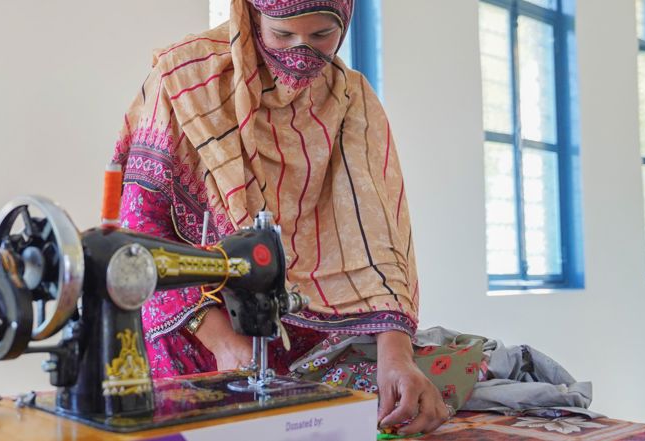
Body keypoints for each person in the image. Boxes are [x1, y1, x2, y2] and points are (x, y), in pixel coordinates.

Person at [112, 0, 452, 435]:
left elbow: (377, 243)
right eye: (284, 35)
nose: (301, 53)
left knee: (420, 392)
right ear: (253, 19)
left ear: (345, 24)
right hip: (192, 327)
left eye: (320, 36)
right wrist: (222, 343)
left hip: (302, 333)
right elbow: (140, 235)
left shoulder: (352, 101)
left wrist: (397, 357)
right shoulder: (185, 81)